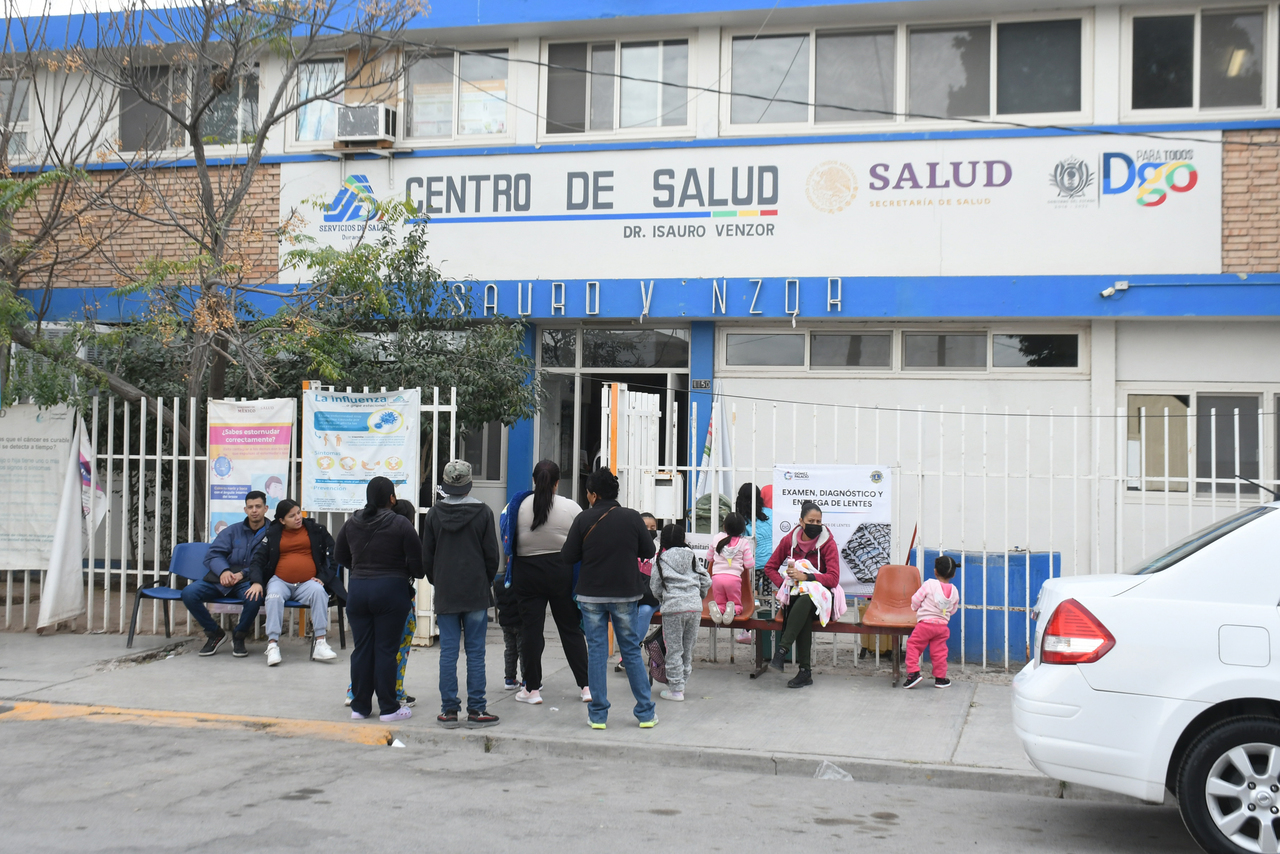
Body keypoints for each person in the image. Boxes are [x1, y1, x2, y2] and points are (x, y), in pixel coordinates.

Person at [561, 467, 658, 731]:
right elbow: (648, 551)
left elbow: (568, 556)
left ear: (592, 495)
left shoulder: (583, 519)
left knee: (597, 652)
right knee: (630, 651)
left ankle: (598, 715)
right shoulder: (631, 517)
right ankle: (646, 713)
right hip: (626, 593)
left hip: (591, 594)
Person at [336, 477, 423, 723]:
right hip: (391, 592)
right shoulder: (401, 524)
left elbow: (339, 555)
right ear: (392, 498)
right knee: (386, 650)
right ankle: (389, 708)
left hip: (358, 591)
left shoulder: (352, 522)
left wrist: (360, 569)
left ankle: (360, 707)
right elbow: (418, 567)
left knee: (362, 649)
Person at [422, 460, 501, 729]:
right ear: (469, 484)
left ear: (445, 484)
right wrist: (484, 580)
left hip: (446, 592)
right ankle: (477, 710)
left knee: (448, 652)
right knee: (476, 652)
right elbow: (492, 555)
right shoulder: (483, 512)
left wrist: (440, 581)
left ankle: (449, 711)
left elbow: (427, 557)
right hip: (476, 591)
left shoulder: (434, 514)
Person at [510, 460, 590, 706]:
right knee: (570, 628)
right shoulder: (570, 507)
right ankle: (587, 686)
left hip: (526, 573)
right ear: (557, 482)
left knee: (531, 630)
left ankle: (532, 689)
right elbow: (584, 540)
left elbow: (506, 537)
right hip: (561, 571)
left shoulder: (517, 506)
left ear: (534, 480)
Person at [246, 499, 345, 666]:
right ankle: (272, 645)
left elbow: (333, 555)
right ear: (282, 520)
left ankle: (320, 643)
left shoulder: (316, 530)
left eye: (298, 513)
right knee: (274, 596)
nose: (298, 517)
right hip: (280, 581)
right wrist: (256, 581)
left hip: (308, 582)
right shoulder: (272, 534)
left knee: (319, 592)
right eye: (292, 516)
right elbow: (257, 560)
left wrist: (323, 577)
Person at [763, 500, 841, 689]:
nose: (815, 525)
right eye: (811, 521)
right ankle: (805, 672)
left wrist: (806, 577)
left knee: (807, 598)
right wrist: (786, 585)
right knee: (802, 603)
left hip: (823, 600)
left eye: (818, 522)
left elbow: (833, 578)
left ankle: (782, 650)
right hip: (796, 598)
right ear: (801, 521)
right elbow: (770, 567)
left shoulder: (828, 544)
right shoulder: (789, 541)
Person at [183, 491, 269, 657]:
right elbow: (213, 554)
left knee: (254, 597)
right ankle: (214, 633)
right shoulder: (232, 531)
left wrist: (243, 574)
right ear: (245, 509)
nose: (254, 510)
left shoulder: (273, 533)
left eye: (258, 506)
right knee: (189, 593)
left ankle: (239, 636)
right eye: (250, 507)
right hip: (221, 579)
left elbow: (270, 562)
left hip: (249, 580)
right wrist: (224, 571)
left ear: (265, 508)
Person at [650, 523, 710, 702]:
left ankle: (676, 689)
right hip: (694, 607)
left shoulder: (661, 559)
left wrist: (664, 599)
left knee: (674, 648)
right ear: (683, 539)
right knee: (688, 647)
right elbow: (706, 580)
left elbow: (655, 586)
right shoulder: (692, 557)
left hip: (673, 609)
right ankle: (682, 683)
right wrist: (697, 596)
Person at [904, 555, 961, 689]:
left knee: (913, 645)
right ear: (953, 574)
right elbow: (953, 609)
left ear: (935, 571)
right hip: (942, 627)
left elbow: (916, 599)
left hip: (925, 625)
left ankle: (913, 673)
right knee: (939, 652)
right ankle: (940, 679)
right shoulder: (954, 590)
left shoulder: (929, 584)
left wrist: (915, 608)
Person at [617, 512, 660, 672]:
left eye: (653, 527)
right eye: (645, 527)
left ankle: (629, 653)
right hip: (633, 595)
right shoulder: (629, 548)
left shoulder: (661, 549)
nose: (649, 530)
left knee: (645, 610)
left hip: (653, 598)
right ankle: (629, 653)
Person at [737, 483, 772, 644]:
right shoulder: (770, 513)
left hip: (753, 564)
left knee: (749, 596)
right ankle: (770, 628)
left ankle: (748, 631)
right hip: (771, 563)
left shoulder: (741, 518)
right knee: (768, 595)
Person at [706, 512, 753, 625]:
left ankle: (718, 609)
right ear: (742, 529)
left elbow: (709, 557)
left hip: (716, 579)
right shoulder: (743, 543)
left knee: (720, 602)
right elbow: (749, 564)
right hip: (734, 580)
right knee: (735, 603)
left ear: (724, 526)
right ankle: (733, 609)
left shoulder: (717, 538)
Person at [494, 573, 524, 691]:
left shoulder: (500, 581)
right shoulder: (521, 580)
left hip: (506, 621)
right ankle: (527, 679)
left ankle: (510, 678)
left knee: (510, 650)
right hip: (520, 621)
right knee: (523, 651)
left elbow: (497, 602)